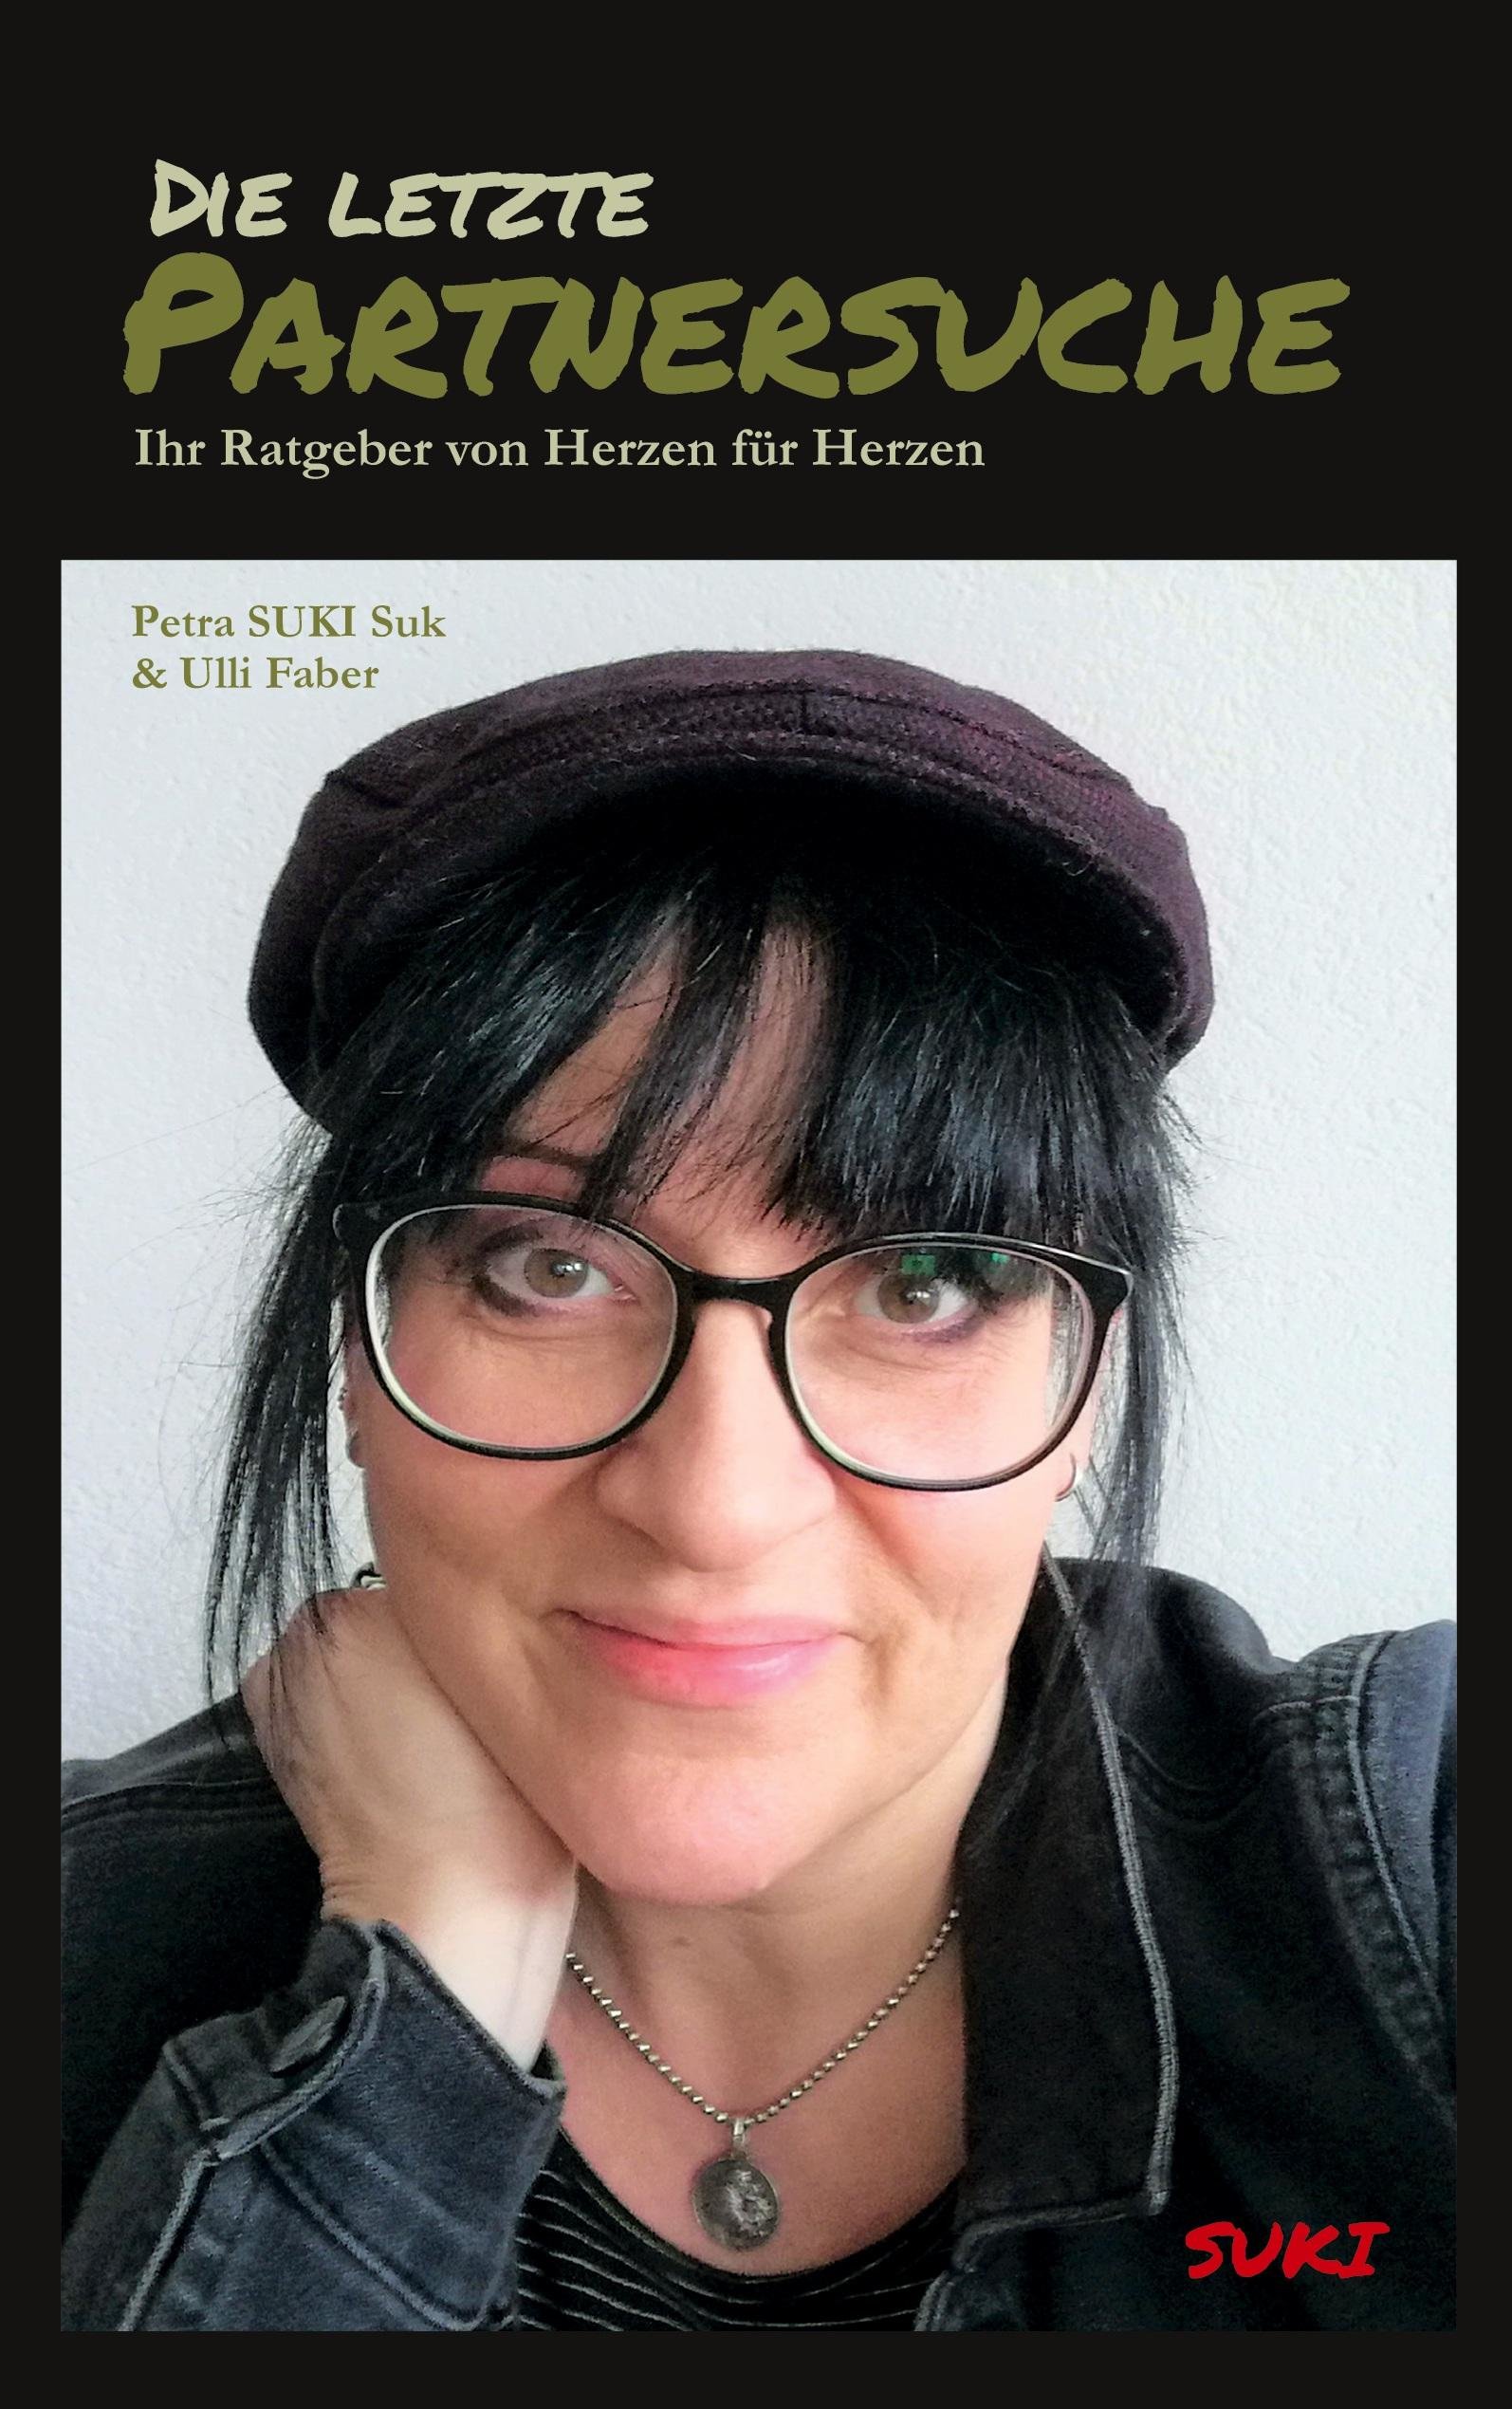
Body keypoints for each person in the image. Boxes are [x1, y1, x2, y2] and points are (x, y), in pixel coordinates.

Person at [61, 648, 1455, 2331]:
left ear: (1081, 1387)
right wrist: (414, 1983)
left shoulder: (1408, 1865)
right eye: (546, 1268)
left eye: (924, 1281)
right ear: (360, 1352)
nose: (713, 1507)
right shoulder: (80, 1951)